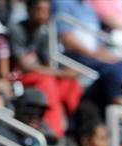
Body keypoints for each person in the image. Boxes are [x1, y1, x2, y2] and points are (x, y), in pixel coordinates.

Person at [9, 0, 83, 139]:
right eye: (39, 9)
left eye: (47, 10)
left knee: (70, 84)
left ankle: (77, 130)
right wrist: (62, 73)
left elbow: (47, 64)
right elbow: (25, 66)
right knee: (47, 81)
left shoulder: (44, 31)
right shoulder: (16, 29)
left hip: (37, 75)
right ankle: (53, 132)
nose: (44, 14)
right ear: (29, 10)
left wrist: (65, 74)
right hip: (18, 77)